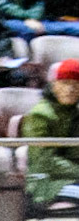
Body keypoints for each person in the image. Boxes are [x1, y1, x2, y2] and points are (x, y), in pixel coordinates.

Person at [24, 59, 79, 211]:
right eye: (65, 83)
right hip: (45, 183)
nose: (70, 90)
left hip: (71, 179)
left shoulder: (75, 113)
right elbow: (43, 160)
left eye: (75, 85)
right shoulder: (40, 114)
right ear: (54, 85)